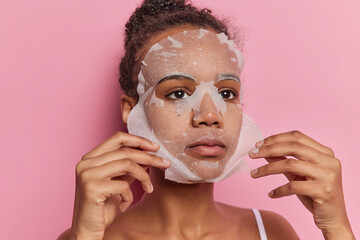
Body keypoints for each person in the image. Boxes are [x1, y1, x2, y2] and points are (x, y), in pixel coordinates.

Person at [58, 0, 355, 239]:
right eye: (177, 93)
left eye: (226, 93)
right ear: (131, 110)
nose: (211, 115)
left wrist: (338, 229)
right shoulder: (90, 236)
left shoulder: (271, 232)